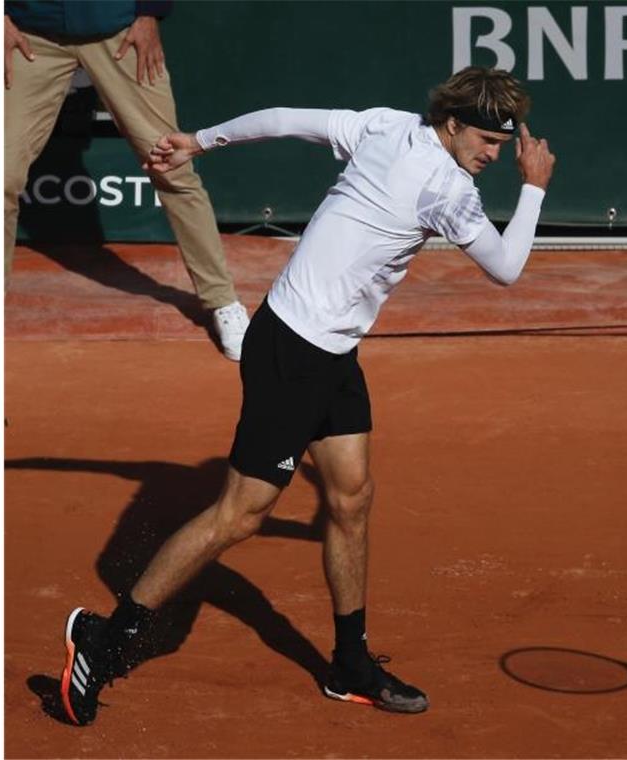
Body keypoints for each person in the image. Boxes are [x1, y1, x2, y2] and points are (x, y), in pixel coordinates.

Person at [57, 66, 556, 723]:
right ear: (455, 123)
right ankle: (105, 637)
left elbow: (286, 117)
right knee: (241, 513)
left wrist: (199, 141)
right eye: (487, 142)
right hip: (295, 353)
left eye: (502, 146)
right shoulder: (446, 189)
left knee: (350, 495)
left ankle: (349, 663)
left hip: (326, 350)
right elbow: (508, 268)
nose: (493, 155)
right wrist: (534, 188)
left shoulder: (385, 125)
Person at [4, 1, 250, 360]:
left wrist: (149, 12)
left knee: (171, 166)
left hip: (119, 31)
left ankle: (222, 300)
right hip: (30, 35)